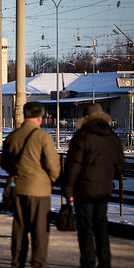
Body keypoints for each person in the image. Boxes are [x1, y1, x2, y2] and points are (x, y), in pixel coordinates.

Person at [62, 104, 124, 268]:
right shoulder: (112, 137)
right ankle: (105, 261)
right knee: (102, 225)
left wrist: (68, 189)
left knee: (86, 227)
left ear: (85, 118)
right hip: (103, 190)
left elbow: (73, 166)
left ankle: (88, 262)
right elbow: (120, 166)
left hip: (83, 190)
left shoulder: (81, 136)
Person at [1, 102, 60, 268]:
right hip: (39, 191)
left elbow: (4, 163)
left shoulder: (12, 136)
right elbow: (53, 166)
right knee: (39, 231)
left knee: (19, 228)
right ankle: (38, 263)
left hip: (18, 189)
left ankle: (17, 262)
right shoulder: (43, 137)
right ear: (39, 118)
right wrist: (53, 179)